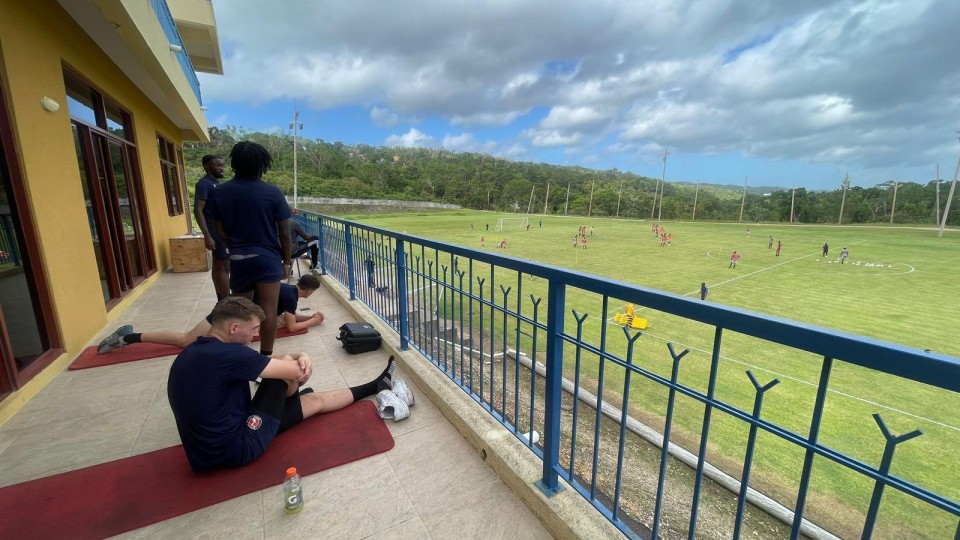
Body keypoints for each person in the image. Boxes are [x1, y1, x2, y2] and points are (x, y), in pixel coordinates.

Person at [166, 297, 413, 473]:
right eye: (253, 330)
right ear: (233, 328)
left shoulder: (202, 349)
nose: (255, 336)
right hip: (237, 447)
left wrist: (298, 355)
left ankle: (377, 386)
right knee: (287, 371)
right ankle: (290, 397)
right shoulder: (229, 356)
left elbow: (261, 362)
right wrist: (301, 360)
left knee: (313, 401)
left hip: (205, 454)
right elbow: (293, 370)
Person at [97, 276, 326, 353]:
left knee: (189, 341)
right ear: (309, 291)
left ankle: (129, 337)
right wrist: (314, 320)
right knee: (185, 341)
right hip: (228, 315)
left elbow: (291, 316)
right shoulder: (290, 297)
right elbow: (292, 325)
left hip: (233, 311)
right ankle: (127, 337)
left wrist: (308, 317)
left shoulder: (286, 290)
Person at [210, 141, 291, 358]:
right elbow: (284, 233)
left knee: (241, 312)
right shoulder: (273, 193)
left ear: (234, 163)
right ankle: (264, 358)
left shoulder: (220, 192)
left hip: (239, 259)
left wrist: (237, 244)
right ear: (261, 164)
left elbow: (219, 230)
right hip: (267, 259)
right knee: (268, 310)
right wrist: (287, 261)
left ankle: (240, 356)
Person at [194, 155, 230, 300]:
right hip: (214, 231)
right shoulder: (204, 184)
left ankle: (223, 297)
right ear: (207, 166)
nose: (221, 168)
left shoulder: (215, 183)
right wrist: (207, 236)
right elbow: (198, 210)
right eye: (217, 165)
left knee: (223, 264)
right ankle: (225, 299)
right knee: (222, 265)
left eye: (222, 165)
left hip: (220, 230)